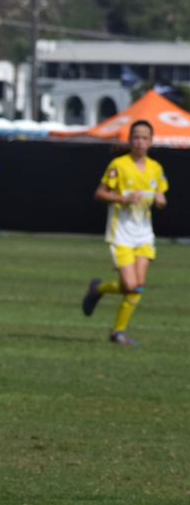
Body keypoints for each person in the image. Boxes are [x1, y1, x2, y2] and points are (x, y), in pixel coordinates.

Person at [82, 119, 168, 346]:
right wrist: (124, 198)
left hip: (144, 235)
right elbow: (99, 194)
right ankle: (97, 289)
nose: (140, 141)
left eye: (144, 137)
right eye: (136, 137)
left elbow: (160, 198)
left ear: (151, 141)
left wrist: (160, 200)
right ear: (130, 140)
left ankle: (117, 332)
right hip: (121, 234)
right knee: (130, 286)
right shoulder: (118, 165)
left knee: (137, 286)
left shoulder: (155, 168)